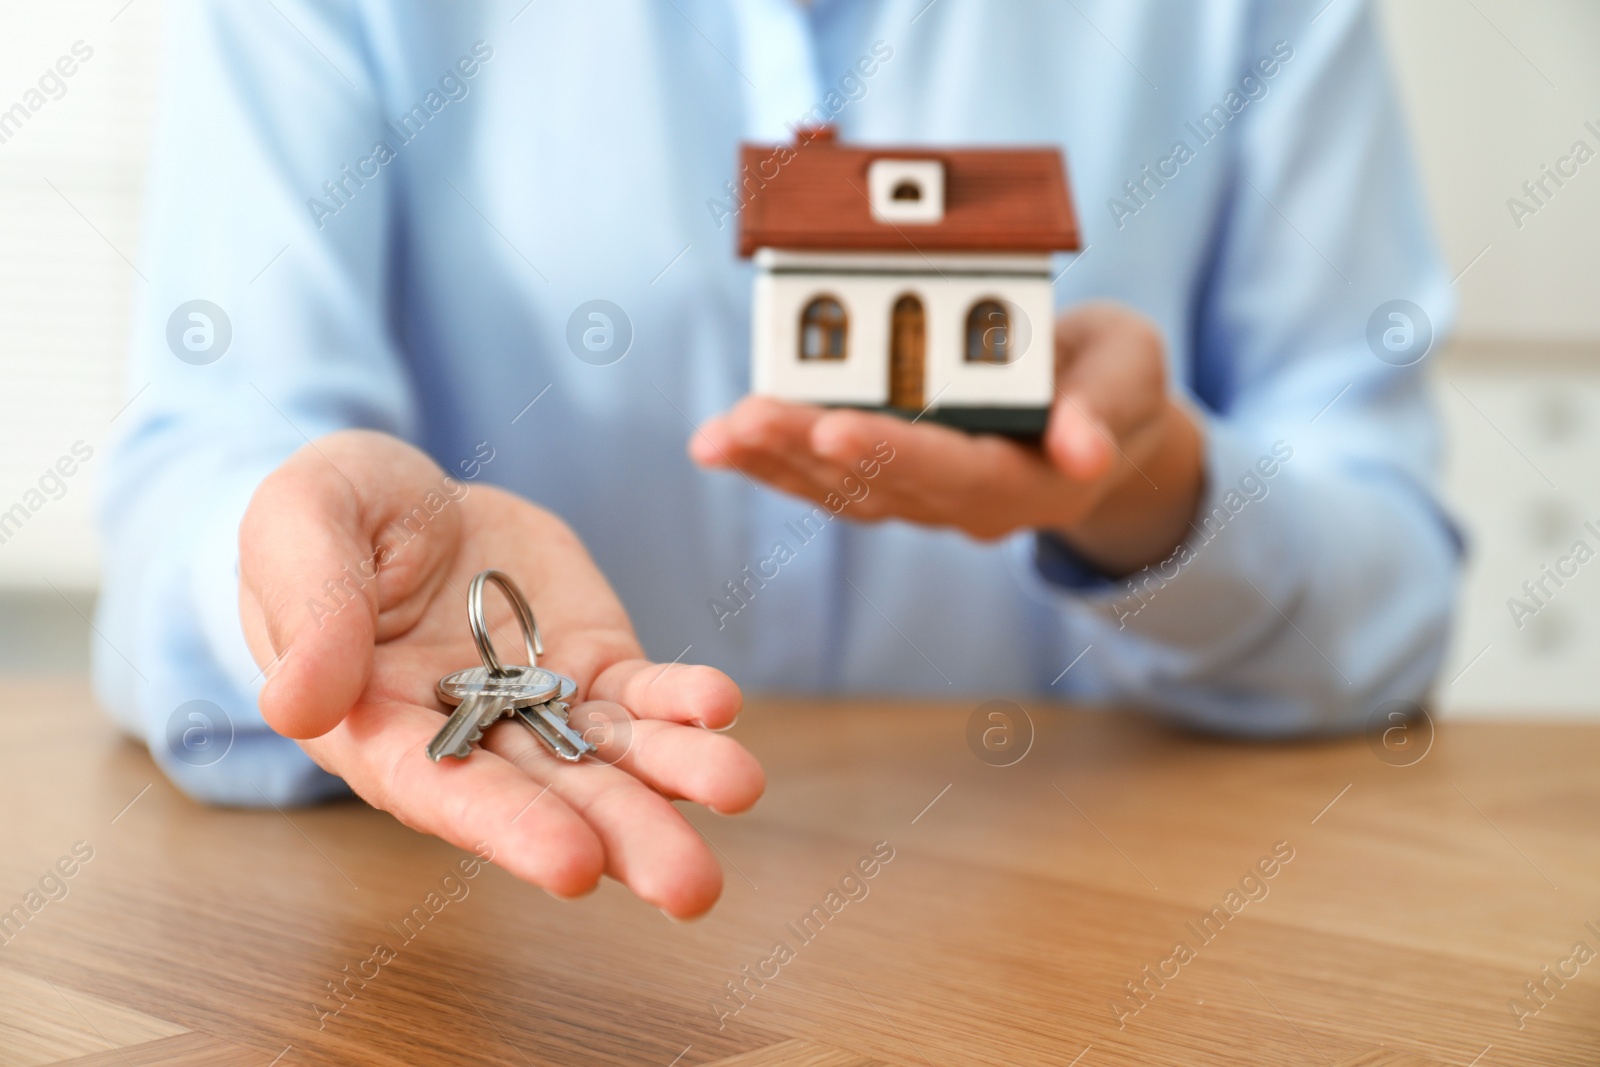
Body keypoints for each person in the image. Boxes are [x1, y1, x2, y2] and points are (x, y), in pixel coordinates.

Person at [95, 0, 1458, 918]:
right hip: (478, 953)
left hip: (1071, 923)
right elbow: (203, 472)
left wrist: (1151, 496)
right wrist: (294, 580)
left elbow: (1392, 590)